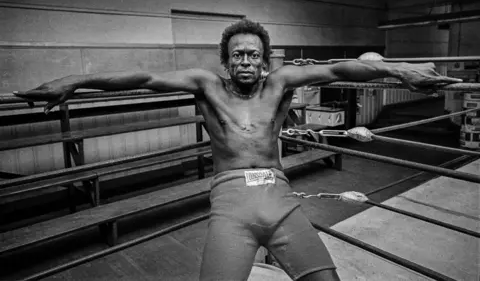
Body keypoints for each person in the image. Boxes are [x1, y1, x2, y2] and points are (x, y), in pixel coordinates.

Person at [13, 19, 462, 281]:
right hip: (230, 204)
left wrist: (400, 69)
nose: (245, 61)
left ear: (265, 60)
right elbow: (143, 78)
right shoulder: (205, 85)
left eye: (253, 54)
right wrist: (76, 80)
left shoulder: (281, 82)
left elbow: (338, 68)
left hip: (281, 201)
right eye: (237, 55)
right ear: (226, 61)